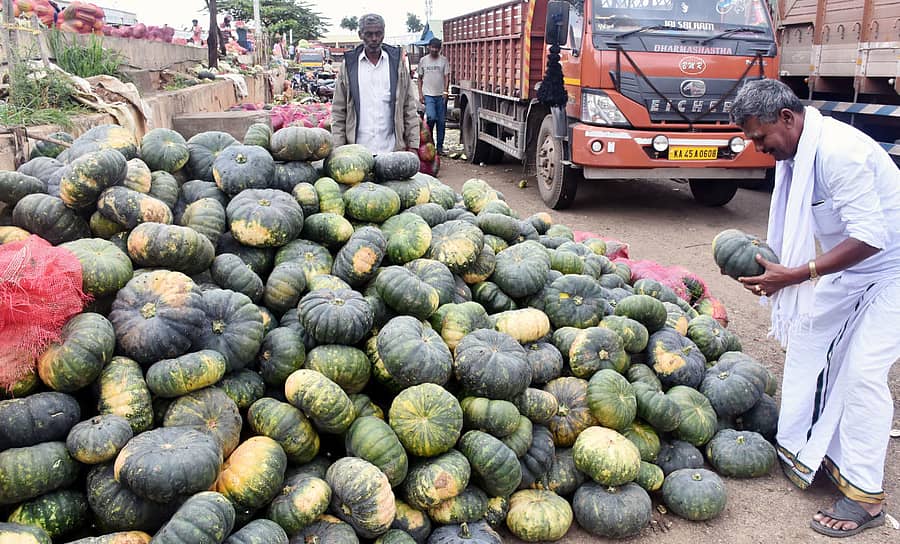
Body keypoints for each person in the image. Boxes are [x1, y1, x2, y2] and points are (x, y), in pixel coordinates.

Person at [730, 79, 900, 538]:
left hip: (893, 271)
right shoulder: (797, 155)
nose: (757, 147)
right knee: (811, 342)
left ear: (787, 118)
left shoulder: (839, 153)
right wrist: (778, 270)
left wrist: (797, 273)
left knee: (863, 370)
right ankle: (815, 450)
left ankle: (867, 496)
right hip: (856, 271)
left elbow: (870, 236)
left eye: (760, 138)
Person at [331, 13, 420, 154]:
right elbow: (338, 110)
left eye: (378, 33)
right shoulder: (349, 66)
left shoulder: (397, 64)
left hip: (392, 151)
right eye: (369, 34)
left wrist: (413, 144)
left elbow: (409, 106)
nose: (374, 38)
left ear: (383, 34)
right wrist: (338, 148)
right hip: (357, 153)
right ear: (360, 35)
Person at [417, 37, 451, 155]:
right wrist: (421, 94)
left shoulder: (444, 61)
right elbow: (419, 79)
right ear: (429, 47)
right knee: (431, 117)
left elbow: (447, 77)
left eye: (437, 48)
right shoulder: (423, 61)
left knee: (441, 122)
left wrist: (446, 92)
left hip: (440, 96)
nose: (434, 50)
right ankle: (429, 142)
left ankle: (440, 147)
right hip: (428, 95)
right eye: (433, 47)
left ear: (440, 49)